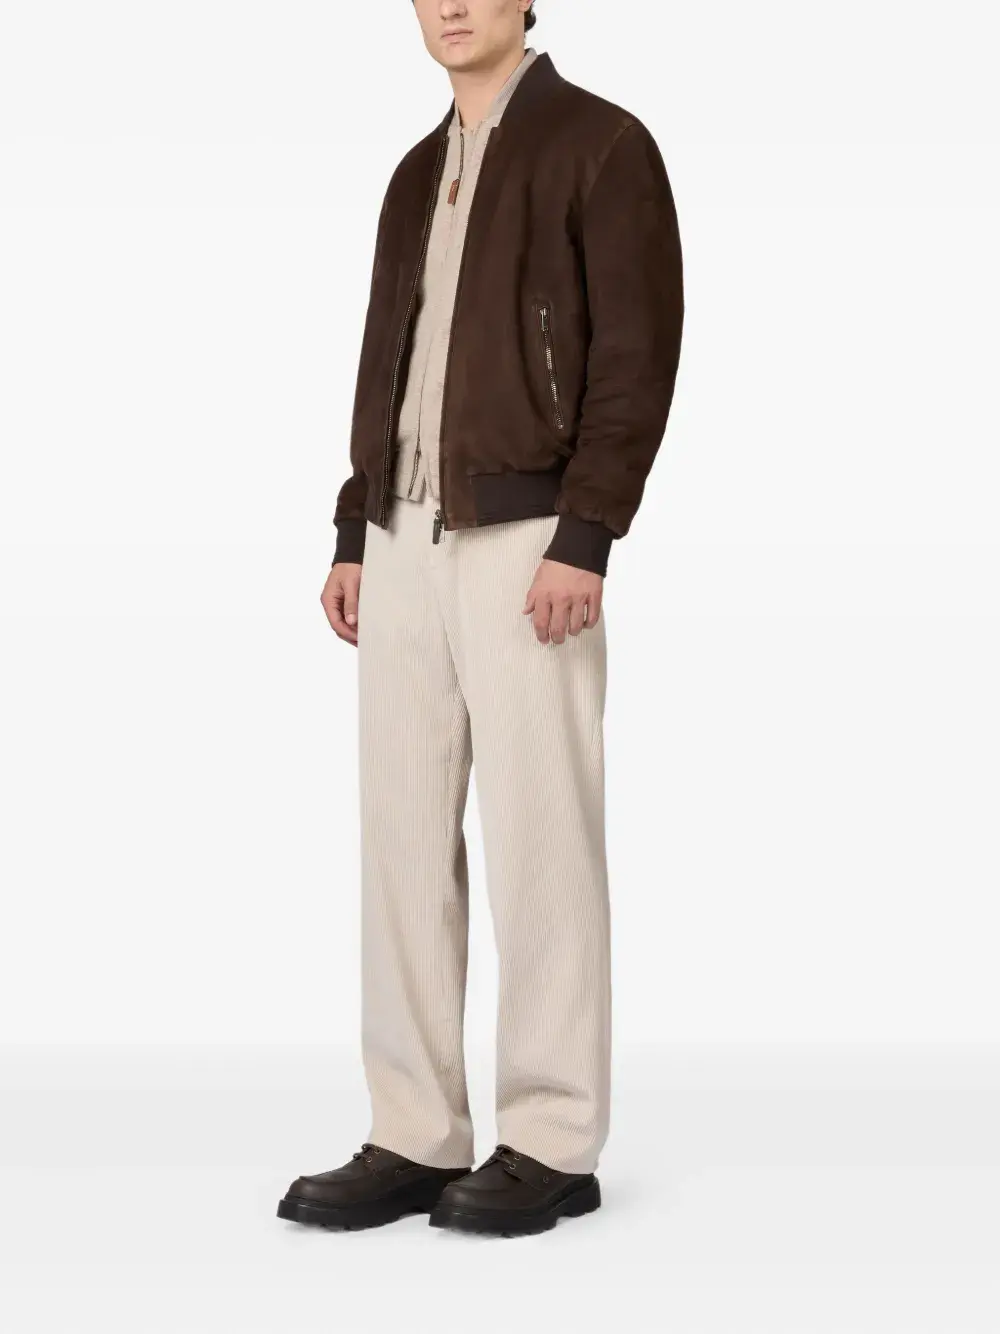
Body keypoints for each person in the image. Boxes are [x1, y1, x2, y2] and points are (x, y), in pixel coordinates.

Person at [278, 0, 683, 1238]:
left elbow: (637, 352)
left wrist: (587, 530)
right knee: (400, 841)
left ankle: (552, 1137)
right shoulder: (415, 171)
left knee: (539, 836)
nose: (448, 4)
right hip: (402, 535)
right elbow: (383, 363)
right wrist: (355, 527)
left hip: (527, 537)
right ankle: (414, 1127)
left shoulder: (601, 145)